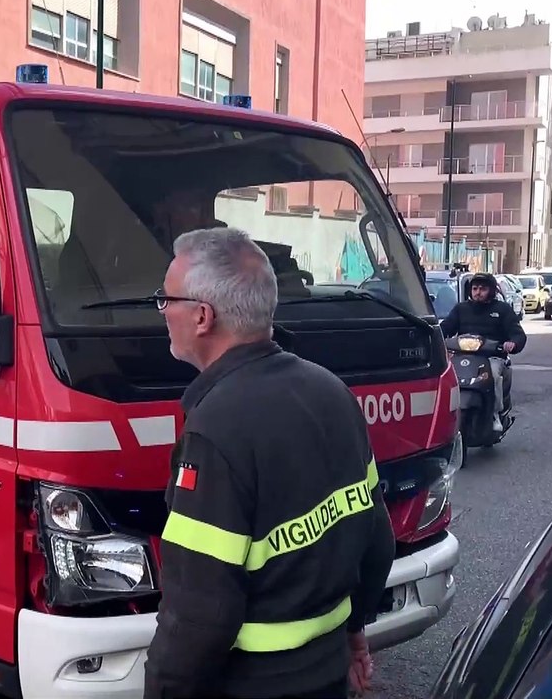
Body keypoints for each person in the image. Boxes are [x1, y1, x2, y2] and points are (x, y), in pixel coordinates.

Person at [145, 227, 396, 699]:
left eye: (166, 298)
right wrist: (354, 631)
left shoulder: (215, 429)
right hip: (327, 674)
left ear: (202, 316)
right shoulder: (332, 392)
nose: (162, 311)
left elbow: (199, 614)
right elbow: (375, 538)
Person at [439, 272, 526, 432]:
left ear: (492, 291)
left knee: (493, 374)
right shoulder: (461, 309)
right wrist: (434, 336)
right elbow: (445, 328)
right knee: (445, 375)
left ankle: (495, 414)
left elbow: (518, 334)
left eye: (483, 289)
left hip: (492, 357)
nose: (478, 292)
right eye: (475, 288)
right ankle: (443, 415)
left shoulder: (502, 309)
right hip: (463, 356)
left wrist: (512, 343)